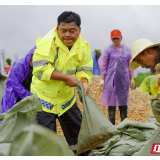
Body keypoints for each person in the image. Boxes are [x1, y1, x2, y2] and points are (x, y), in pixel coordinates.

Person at [31, 11, 93, 156]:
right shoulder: (47, 42)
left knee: (78, 135)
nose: (67, 35)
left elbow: (85, 68)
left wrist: (84, 81)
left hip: (66, 99)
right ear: (57, 28)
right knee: (47, 141)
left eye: (72, 31)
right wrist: (66, 78)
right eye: (63, 30)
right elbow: (40, 70)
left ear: (79, 30)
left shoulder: (83, 45)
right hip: (44, 99)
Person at [98, 29, 135, 125]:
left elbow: (131, 65)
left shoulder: (127, 50)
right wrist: (102, 79)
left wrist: (132, 78)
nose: (116, 41)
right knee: (111, 103)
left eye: (117, 38)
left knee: (123, 102)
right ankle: (112, 126)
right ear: (111, 39)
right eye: (114, 39)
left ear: (121, 38)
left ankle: (124, 125)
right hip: (110, 80)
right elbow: (103, 65)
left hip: (123, 80)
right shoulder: (108, 50)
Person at [0, 44, 38, 114]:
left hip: (25, 97)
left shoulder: (38, 67)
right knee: (10, 117)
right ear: (32, 55)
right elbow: (15, 84)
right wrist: (29, 95)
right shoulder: (20, 64)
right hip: (14, 96)